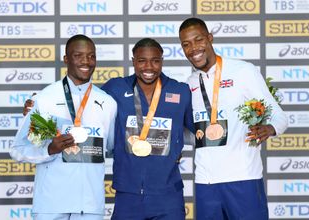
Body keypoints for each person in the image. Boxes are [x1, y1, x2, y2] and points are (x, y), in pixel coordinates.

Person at [179, 17, 288, 220]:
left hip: (244, 178)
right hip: (206, 183)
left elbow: (279, 115)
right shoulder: (188, 85)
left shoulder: (243, 71)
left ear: (210, 38)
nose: (193, 48)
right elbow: (193, 136)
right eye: (186, 44)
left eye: (198, 39)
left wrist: (270, 128)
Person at [10, 34, 117, 220]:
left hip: (90, 206)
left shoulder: (107, 103)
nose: (86, 61)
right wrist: (49, 149)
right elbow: (19, 150)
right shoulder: (45, 99)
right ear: (66, 59)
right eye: (78, 55)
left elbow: (114, 148)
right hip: (51, 205)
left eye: (91, 56)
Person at [101, 38, 194, 220]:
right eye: (142, 60)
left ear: (162, 61)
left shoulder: (181, 91)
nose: (148, 67)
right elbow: (86, 109)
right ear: (133, 61)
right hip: (128, 194)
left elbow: (200, 129)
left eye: (155, 60)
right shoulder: (115, 88)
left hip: (168, 194)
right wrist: (36, 105)